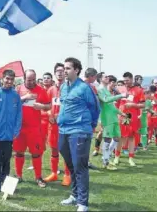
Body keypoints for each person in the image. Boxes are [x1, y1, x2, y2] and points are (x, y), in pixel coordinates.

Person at [57, 57, 100, 212]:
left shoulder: (84, 88)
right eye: (64, 68)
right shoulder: (63, 87)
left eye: (68, 68)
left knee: (80, 167)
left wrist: (91, 125)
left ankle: (83, 203)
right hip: (63, 131)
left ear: (76, 70)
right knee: (71, 166)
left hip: (79, 132)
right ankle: (74, 195)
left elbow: (95, 109)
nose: (64, 71)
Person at [14, 69, 51, 187]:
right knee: (19, 152)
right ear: (24, 78)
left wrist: (42, 106)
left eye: (33, 80)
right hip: (20, 127)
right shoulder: (19, 89)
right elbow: (12, 103)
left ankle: (38, 177)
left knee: (36, 153)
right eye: (29, 80)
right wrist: (24, 97)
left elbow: (49, 105)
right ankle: (18, 175)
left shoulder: (41, 90)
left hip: (34, 128)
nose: (31, 82)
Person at [0, 69, 22, 194]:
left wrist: (16, 130)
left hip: (9, 135)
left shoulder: (15, 96)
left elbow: (19, 114)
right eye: (7, 78)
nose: (9, 81)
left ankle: (5, 182)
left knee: (6, 159)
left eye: (11, 79)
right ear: (2, 79)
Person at [45, 62, 71, 186]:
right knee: (54, 149)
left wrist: (61, 116)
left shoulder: (70, 88)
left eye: (62, 70)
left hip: (65, 125)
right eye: (58, 71)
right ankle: (54, 173)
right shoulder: (50, 90)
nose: (60, 73)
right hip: (53, 126)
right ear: (55, 73)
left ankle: (67, 175)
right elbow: (47, 106)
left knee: (66, 150)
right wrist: (50, 114)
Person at [114, 72, 145, 167]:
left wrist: (133, 105)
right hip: (123, 115)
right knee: (121, 137)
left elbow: (143, 105)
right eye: (124, 80)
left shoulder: (138, 90)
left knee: (131, 137)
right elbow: (116, 103)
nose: (126, 82)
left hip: (131, 116)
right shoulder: (121, 89)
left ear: (132, 79)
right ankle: (117, 157)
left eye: (127, 80)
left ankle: (131, 158)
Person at [97, 74, 127, 170]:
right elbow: (106, 100)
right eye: (105, 77)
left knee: (117, 138)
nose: (107, 78)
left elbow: (111, 106)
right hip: (107, 118)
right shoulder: (100, 90)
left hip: (114, 118)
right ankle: (106, 161)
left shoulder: (107, 90)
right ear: (100, 79)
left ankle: (107, 157)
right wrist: (120, 95)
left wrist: (121, 113)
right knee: (107, 139)